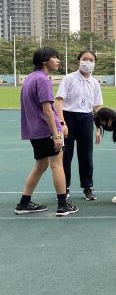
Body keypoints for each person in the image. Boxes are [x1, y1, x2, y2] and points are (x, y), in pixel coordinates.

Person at [15, 47, 78, 216]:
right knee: (57, 165)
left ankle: (24, 203)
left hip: (34, 131)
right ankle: (63, 205)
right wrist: (56, 133)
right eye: (55, 58)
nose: (58, 60)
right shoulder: (43, 80)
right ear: (44, 60)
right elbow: (48, 109)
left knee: (41, 165)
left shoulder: (30, 78)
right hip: (47, 130)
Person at [55, 50, 104, 201]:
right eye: (85, 59)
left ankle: (87, 187)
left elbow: (96, 107)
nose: (88, 62)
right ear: (78, 61)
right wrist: (62, 123)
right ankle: (65, 187)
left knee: (86, 155)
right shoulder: (69, 78)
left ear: (94, 63)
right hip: (68, 117)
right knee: (66, 155)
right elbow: (59, 100)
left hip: (86, 118)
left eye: (91, 60)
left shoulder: (95, 83)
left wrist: (98, 127)